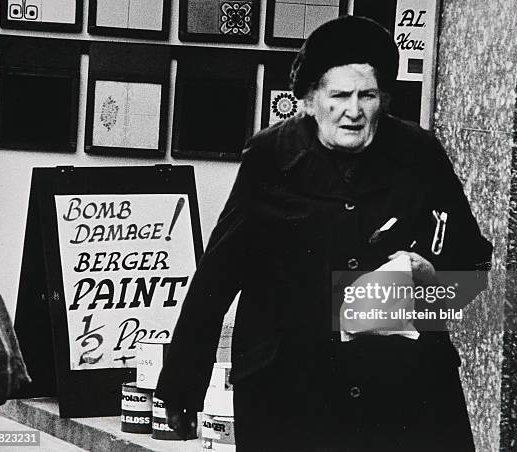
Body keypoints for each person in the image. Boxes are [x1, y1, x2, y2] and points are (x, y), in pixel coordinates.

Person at [155, 16, 493, 451]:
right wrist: (183, 386)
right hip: (292, 392)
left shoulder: (419, 154)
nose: (353, 110)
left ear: (383, 100)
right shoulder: (271, 157)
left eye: (367, 95)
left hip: (399, 391)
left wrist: (430, 278)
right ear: (309, 101)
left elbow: (472, 263)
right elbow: (216, 276)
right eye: (339, 96)